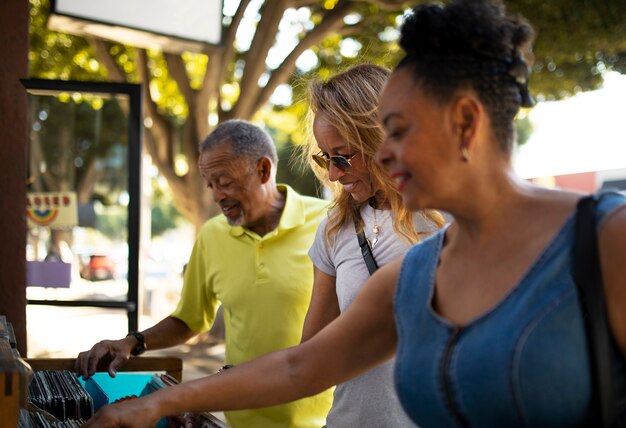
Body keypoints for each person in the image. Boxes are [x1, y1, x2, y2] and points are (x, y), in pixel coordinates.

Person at [83, 1, 626, 427]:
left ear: (463, 122)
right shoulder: (416, 273)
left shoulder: (605, 238)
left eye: (399, 131)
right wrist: (154, 403)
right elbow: (304, 365)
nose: (383, 156)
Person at [75, 119, 333, 428]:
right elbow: (190, 319)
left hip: (324, 421)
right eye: (210, 184)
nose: (216, 196)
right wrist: (132, 342)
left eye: (224, 181)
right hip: (240, 420)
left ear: (263, 170)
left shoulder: (328, 222)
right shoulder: (212, 236)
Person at [300, 63, 443, 427]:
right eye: (324, 157)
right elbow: (310, 358)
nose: (333, 174)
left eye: (343, 156)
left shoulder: (450, 218)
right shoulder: (334, 228)